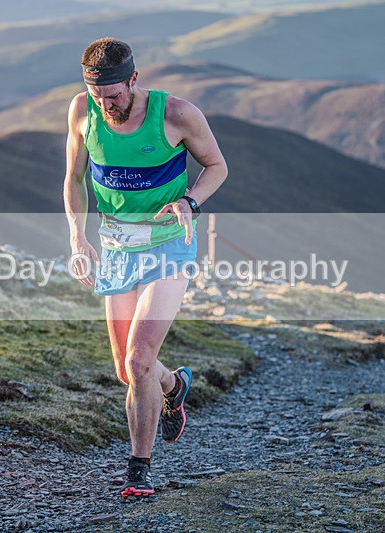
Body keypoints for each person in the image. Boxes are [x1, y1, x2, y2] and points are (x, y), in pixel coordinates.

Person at [63, 37, 228, 499]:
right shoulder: (81, 110)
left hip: (169, 246)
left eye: (113, 95)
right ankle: (174, 386)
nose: (106, 104)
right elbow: (74, 179)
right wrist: (77, 236)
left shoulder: (176, 114)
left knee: (139, 359)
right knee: (128, 370)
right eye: (97, 96)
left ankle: (139, 470)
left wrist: (189, 202)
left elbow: (217, 166)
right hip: (116, 247)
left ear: (133, 79)